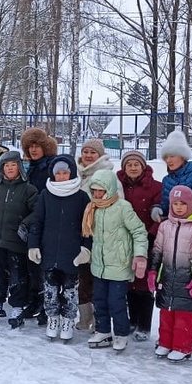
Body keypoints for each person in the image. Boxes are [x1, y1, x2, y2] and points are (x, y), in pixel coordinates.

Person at [151, 129, 192, 356]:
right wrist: (159, 209)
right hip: (174, 234)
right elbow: (166, 204)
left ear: (183, 156)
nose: (169, 160)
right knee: (173, 290)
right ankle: (170, 338)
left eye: (173, 156)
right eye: (166, 157)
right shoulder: (168, 179)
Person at [83, 169, 148, 352]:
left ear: (110, 189)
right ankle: (103, 330)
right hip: (99, 265)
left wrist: (140, 255)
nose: (97, 194)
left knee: (116, 302)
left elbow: (139, 231)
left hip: (119, 265)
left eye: (101, 190)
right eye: (94, 190)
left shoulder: (122, 207)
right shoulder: (92, 208)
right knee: (100, 300)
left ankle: (121, 333)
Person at [27, 155, 91, 340]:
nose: (62, 176)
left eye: (65, 173)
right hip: (49, 252)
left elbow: (88, 227)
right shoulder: (46, 195)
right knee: (50, 290)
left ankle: (68, 320)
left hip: (71, 254)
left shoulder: (81, 196)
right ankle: (53, 318)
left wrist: (86, 249)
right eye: (58, 173)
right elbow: (37, 222)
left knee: (70, 291)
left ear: (71, 173)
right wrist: (33, 245)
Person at [148, 186, 192, 361]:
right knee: (166, 312)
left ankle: (183, 347)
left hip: (187, 278)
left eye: (183, 203)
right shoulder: (165, 226)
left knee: (184, 315)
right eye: (175, 204)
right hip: (167, 277)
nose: (179, 207)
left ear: (190, 204)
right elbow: (157, 250)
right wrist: (153, 271)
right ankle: (166, 342)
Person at [0, 151, 38, 328]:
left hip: (17, 242)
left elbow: (37, 213)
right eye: (6, 165)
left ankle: (17, 306)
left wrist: (25, 225)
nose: (10, 168)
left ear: (19, 167)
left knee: (17, 276)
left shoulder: (29, 189)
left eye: (13, 165)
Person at [76, 138, 121, 333]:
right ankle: (85, 317)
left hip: (100, 236)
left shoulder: (108, 176)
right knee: (82, 277)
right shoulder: (76, 174)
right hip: (78, 234)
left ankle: (99, 319)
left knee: (97, 280)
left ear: (100, 155)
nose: (88, 155)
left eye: (92, 152)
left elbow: (116, 205)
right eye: (85, 151)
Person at [117, 150, 162, 341]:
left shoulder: (155, 187)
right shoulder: (118, 186)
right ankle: (132, 320)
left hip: (146, 240)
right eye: (129, 165)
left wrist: (150, 237)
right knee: (129, 283)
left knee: (144, 285)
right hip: (124, 241)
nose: (133, 168)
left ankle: (144, 324)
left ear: (143, 167)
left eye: (136, 164)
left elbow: (160, 214)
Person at [20, 128, 59, 325]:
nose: (33, 150)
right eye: (30, 147)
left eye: (37, 146)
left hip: (48, 220)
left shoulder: (51, 166)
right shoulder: (30, 166)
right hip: (31, 220)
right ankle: (35, 299)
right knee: (32, 264)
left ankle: (48, 304)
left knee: (46, 266)